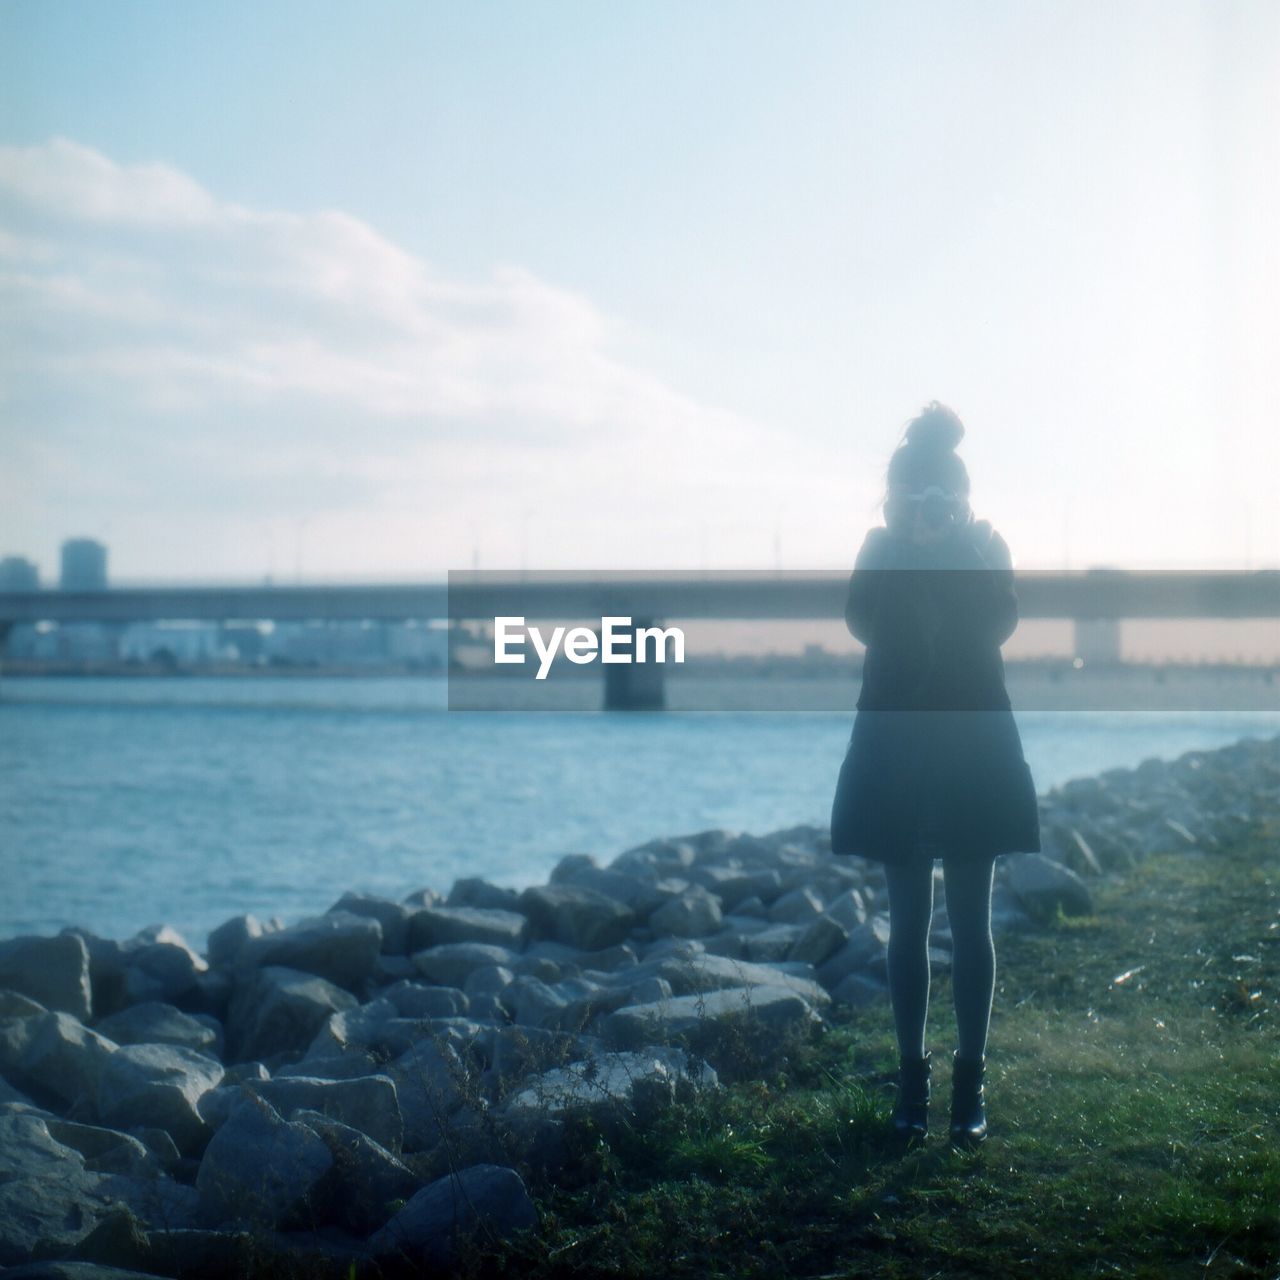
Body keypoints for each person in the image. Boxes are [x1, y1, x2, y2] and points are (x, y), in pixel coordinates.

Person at [829, 401, 1041, 1149]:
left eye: (942, 501)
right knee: (909, 926)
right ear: (894, 502)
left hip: (972, 752)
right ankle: (911, 1086)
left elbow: (997, 626)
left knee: (974, 926)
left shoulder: (985, 547)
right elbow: (862, 624)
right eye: (915, 502)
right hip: (898, 755)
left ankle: (969, 1087)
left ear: (963, 500)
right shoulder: (880, 551)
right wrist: (907, 548)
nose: (930, 512)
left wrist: (953, 550)